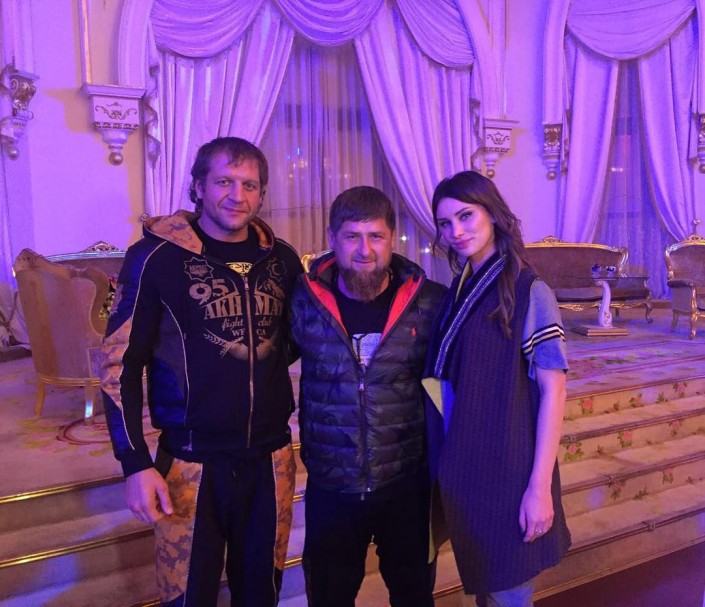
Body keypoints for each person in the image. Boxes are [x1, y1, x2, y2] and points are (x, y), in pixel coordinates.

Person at [100, 136, 303, 607]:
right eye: (224, 182)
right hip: (190, 462)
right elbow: (118, 364)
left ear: (262, 193)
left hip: (271, 460)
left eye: (249, 185)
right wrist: (134, 463)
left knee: (261, 595)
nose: (237, 195)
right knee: (187, 597)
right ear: (198, 186)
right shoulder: (155, 258)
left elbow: (296, 341)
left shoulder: (283, 259)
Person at [290, 186, 446, 607]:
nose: (364, 250)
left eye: (375, 236)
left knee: (414, 598)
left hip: (406, 484)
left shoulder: (429, 302)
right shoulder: (303, 300)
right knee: (329, 599)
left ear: (392, 238)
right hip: (332, 486)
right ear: (332, 238)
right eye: (352, 236)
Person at [424, 170, 571, 607]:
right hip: (470, 463)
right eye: (446, 223)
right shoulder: (460, 289)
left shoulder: (528, 289)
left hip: (510, 467)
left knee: (510, 590)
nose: (456, 231)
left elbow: (554, 392)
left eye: (466, 216)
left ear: (492, 213)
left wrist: (539, 487)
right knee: (486, 583)